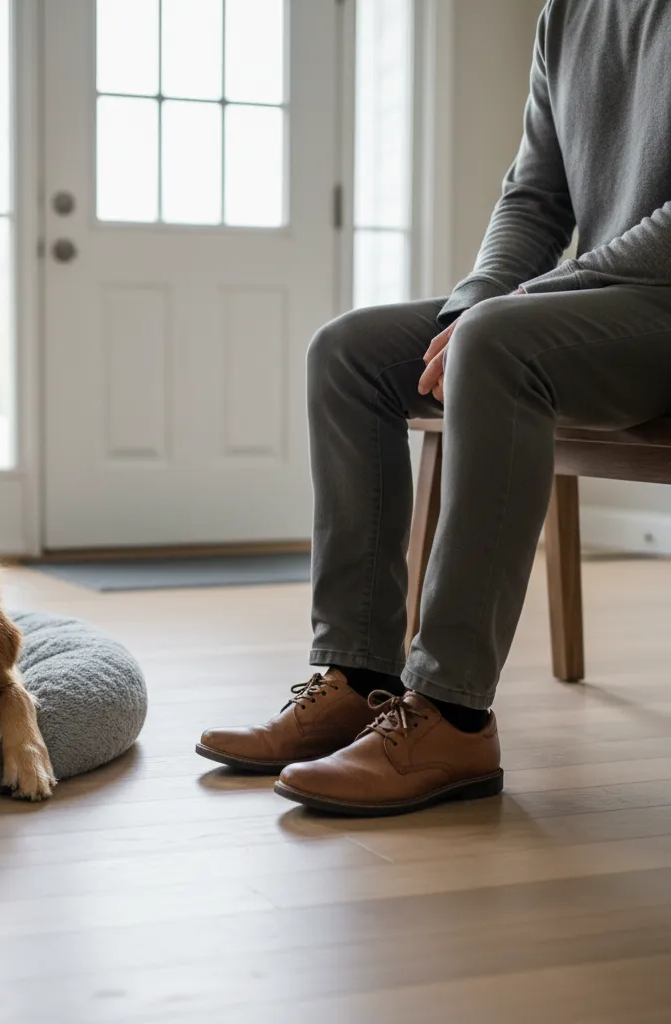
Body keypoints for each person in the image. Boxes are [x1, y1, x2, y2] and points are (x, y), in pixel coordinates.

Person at [196, 0, 671, 816]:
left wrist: (516, 309)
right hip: (599, 305)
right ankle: (359, 679)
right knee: (348, 353)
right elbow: (534, 197)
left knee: (497, 343)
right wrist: (476, 301)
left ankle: (453, 715)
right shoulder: (569, 14)